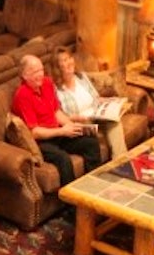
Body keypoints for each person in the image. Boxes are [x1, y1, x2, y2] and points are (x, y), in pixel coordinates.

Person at [11, 53, 102, 186]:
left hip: (57, 133)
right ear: (24, 75)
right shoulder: (22, 95)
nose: (40, 74)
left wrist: (71, 126)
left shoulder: (47, 83)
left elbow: (56, 112)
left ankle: (93, 185)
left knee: (90, 142)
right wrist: (62, 131)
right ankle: (70, 198)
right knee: (63, 159)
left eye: (41, 70)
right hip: (42, 141)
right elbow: (34, 132)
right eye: (35, 72)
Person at [52, 47, 129, 161]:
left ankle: (120, 161)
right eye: (64, 60)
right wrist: (74, 118)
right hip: (80, 122)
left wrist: (109, 102)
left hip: (96, 115)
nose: (69, 62)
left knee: (114, 121)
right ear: (57, 68)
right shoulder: (56, 89)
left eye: (70, 58)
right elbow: (59, 116)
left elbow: (96, 98)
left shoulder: (81, 77)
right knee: (92, 132)